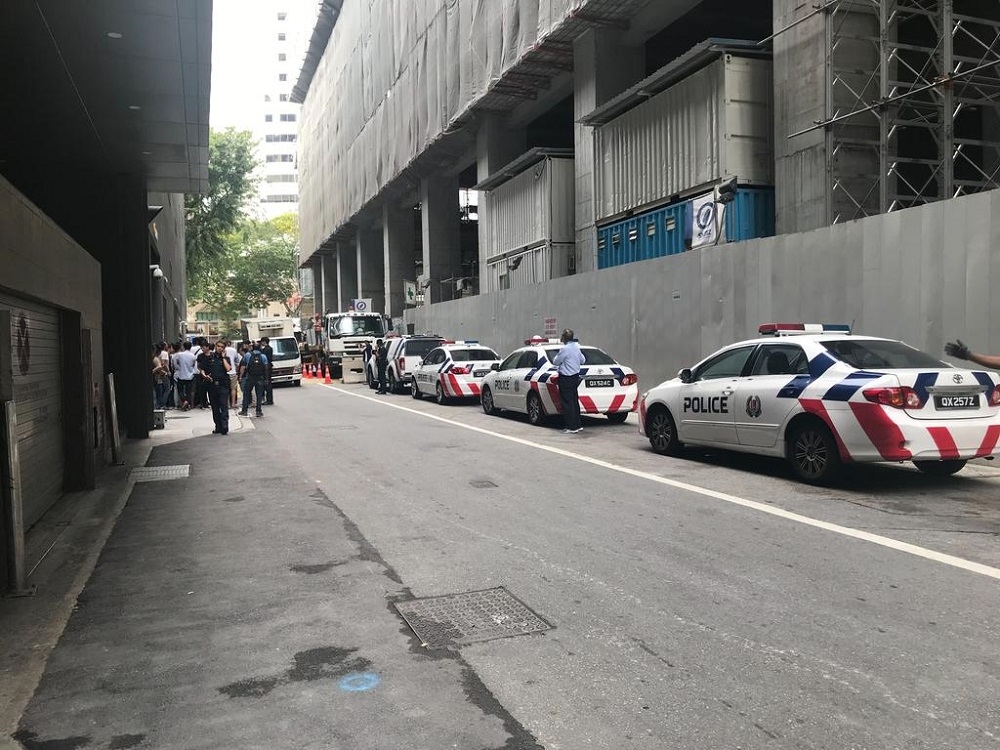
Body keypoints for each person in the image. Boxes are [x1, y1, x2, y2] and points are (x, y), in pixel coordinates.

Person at [552, 328, 586, 434]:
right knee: (574, 401)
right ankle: (577, 425)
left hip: (566, 377)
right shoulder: (577, 347)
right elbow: (583, 360)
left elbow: (556, 362)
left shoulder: (565, 349)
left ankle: (571, 427)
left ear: (564, 338)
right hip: (575, 377)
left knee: (567, 402)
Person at [198, 339, 232, 435]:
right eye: (218, 346)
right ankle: (218, 426)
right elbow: (201, 368)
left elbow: (228, 369)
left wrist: (223, 358)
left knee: (224, 406)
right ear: (215, 346)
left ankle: (225, 426)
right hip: (212, 385)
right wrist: (204, 375)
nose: (220, 348)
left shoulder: (226, 358)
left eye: (222, 347)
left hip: (223, 385)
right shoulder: (209, 357)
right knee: (215, 407)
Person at [238, 343, 268, 418]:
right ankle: (258, 411)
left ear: (252, 348)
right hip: (259, 378)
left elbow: (243, 366)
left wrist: (241, 376)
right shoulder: (263, 356)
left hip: (250, 377)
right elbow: (266, 368)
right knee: (259, 395)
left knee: (246, 393)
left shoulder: (248, 355)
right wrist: (266, 378)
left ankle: (244, 411)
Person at [174, 340, 198, 410]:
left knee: (180, 390)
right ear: (190, 347)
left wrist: (179, 369)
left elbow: (176, 364)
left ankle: (184, 401)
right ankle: (187, 402)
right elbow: (193, 364)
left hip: (181, 375)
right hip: (190, 376)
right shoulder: (193, 356)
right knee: (189, 391)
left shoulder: (179, 355)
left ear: (183, 347)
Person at [152, 344, 169, 409]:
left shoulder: (154, 358)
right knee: (159, 392)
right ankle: (160, 405)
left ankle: (158, 406)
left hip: (157, 377)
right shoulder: (155, 359)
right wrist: (165, 372)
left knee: (158, 392)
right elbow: (159, 367)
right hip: (157, 377)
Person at [260, 336, 275, 405]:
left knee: (267, 383)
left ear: (264, 342)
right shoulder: (270, 348)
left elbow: (264, 357)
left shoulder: (266, 349)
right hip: (269, 366)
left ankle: (269, 400)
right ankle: (269, 399)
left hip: (266, 367)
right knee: (268, 383)